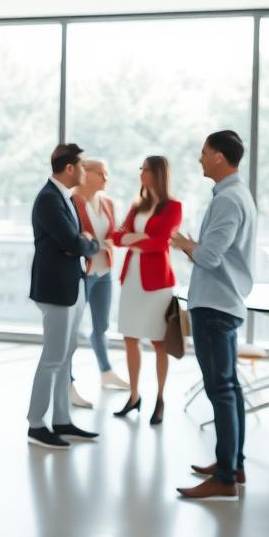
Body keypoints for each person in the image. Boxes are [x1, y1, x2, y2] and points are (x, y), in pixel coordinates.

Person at [172, 130, 257, 501]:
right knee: (229, 388)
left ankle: (224, 478)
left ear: (220, 157)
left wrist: (185, 244)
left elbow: (209, 257)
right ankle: (233, 465)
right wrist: (195, 245)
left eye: (204, 152)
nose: (200, 158)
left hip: (215, 304)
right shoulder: (236, 195)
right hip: (224, 301)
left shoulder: (228, 200)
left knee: (220, 390)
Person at [26, 144, 102, 449]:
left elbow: (78, 244)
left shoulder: (65, 198)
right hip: (56, 289)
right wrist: (87, 243)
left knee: (66, 355)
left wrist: (84, 243)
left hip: (72, 285)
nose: (85, 170)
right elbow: (73, 243)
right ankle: (35, 424)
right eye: (82, 165)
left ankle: (61, 420)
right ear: (69, 168)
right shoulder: (48, 198)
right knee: (53, 357)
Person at [112, 156, 182, 427]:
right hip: (131, 279)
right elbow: (116, 236)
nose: (141, 173)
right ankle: (133, 395)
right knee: (130, 337)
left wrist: (134, 239)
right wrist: (138, 238)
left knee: (158, 341)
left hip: (157, 283)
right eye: (140, 168)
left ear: (158, 173)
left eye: (146, 169)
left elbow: (161, 243)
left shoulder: (173, 207)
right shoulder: (137, 206)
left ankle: (160, 398)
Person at [68, 158, 129, 410]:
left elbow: (114, 234)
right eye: (101, 173)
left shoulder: (108, 203)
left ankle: (106, 371)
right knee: (71, 329)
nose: (106, 178)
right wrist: (94, 244)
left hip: (104, 272)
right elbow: (75, 238)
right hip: (83, 272)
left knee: (101, 326)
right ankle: (68, 382)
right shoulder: (72, 201)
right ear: (86, 173)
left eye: (107, 174)